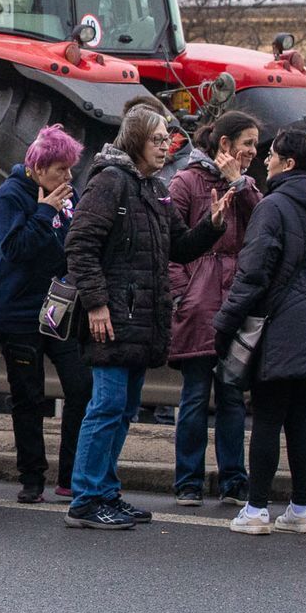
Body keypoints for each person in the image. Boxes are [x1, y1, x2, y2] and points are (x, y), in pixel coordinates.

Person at [63, 105, 227, 530]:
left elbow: (180, 246)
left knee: (123, 409)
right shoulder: (110, 182)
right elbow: (79, 246)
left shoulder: (152, 188)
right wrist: (97, 302)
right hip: (112, 318)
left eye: (167, 140)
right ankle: (85, 498)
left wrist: (211, 224)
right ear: (135, 139)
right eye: (157, 139)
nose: (165, 146)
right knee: (107, 407)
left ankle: (105, 492)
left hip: (138, 321)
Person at [213, 127, 306, 535]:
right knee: (302, 418)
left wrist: (224, 323)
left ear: (288, 163)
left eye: (271, 154)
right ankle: (302, 508)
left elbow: (253, 273)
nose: (265, 159)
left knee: (269, 416)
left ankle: (256, 510)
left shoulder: (274, 206)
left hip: (282, 327)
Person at [0, 124, 92, 504]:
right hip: (18, 312)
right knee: (29, 398)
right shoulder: (11, 196)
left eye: (70, 169)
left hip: (57, 310)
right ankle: (32, 477)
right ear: (37, 168)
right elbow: (13, 248)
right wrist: (42, 212)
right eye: (60, 170)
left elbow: (74, 242)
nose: (68, 177)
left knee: (81, 387)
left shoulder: (67, 196)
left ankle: (70, 477)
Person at [166, 112, 262, 507]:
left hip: (236, 303)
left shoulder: (247, 186)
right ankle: (187, 481)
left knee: (232, 396)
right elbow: (170, 246)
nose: (254, 153)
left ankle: (232, 480)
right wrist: (180, 294)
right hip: (199, 302)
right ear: (224, 145)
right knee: (194, 396)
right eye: (248, 143)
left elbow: (264, 226)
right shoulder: (186, 181)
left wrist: (239, 185)